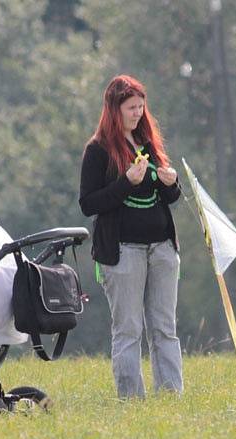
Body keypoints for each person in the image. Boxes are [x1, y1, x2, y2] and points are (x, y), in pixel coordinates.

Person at [79, 74, 183, 399]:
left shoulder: (149, 144)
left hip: (162, 249)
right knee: (128, 330)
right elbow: (88, 203)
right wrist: (126, 182)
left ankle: (170, 397)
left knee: (165, 328)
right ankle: (132, 402)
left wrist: (171, 183)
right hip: (123, 252)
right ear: (115, 110)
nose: (137, 114)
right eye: (131, 108)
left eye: (141, 107)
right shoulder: (97, 150)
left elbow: (171, 198)